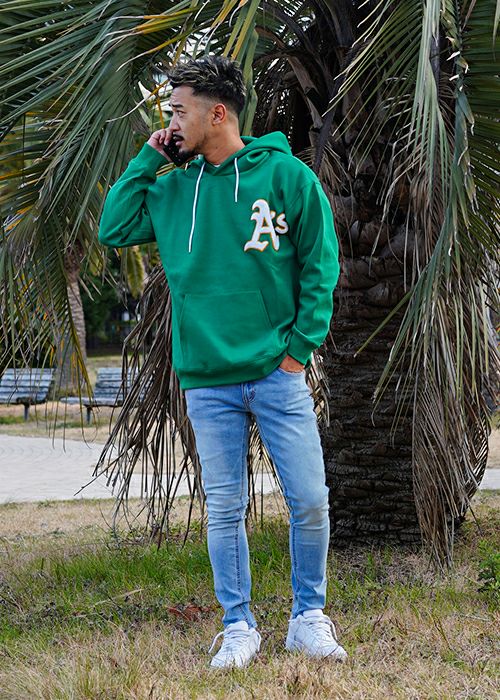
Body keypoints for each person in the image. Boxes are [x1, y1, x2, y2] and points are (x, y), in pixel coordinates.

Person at [98, 55, 346, 668]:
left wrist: (297, 354)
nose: (170, 123)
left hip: (276, 373)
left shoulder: (285, 176)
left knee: (309, 499)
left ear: (217, 114)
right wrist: (149, 157)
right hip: (207, 380)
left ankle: (308, 618)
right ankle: (239, 626)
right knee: (226, 508)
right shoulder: (170, 187)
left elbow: (320, 265)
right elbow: (113, 227)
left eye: (178, 111)